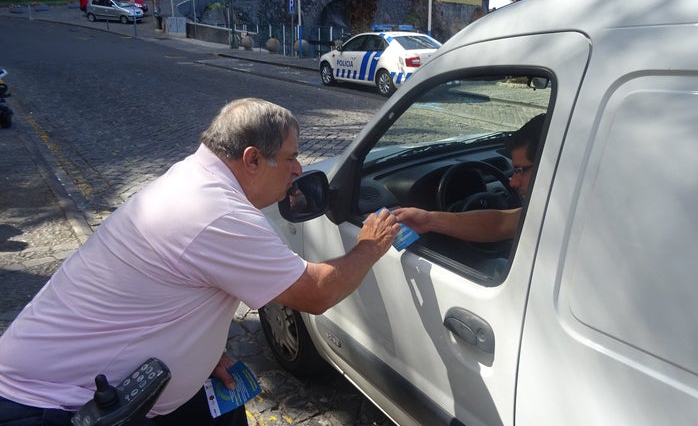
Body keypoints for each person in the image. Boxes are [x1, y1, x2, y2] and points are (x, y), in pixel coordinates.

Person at [0, 98, 400, 426]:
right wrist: (369, 245)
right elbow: (316, 292)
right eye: (291, 157)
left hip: (131, 388)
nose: (299, 169)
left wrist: (201, 355)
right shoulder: (217, 214)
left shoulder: (193, 178)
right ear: (253, 160)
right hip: (56, 404)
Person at [393, 113, 546, 243]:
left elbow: (503, 224)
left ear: (548, 165)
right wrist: (429, 220)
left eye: (520, 170)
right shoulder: (545, 212)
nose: (512, 182)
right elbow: (501, 224)